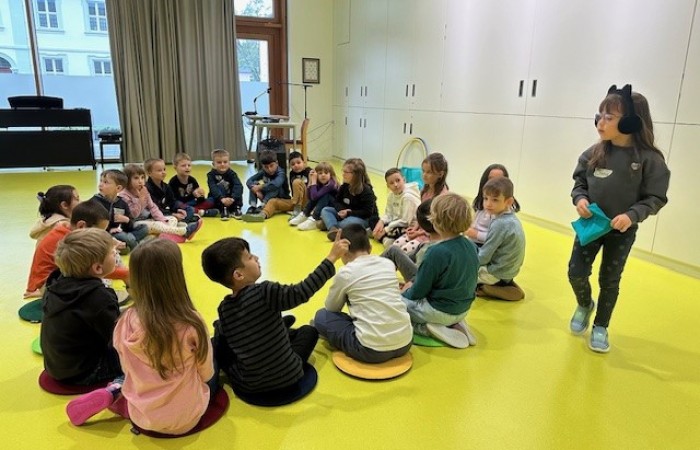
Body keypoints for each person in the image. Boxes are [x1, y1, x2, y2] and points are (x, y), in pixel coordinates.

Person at [65, 239, 216, 433]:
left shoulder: (125, 320)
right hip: (186, 418)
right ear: (176, 276)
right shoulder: (192, 323)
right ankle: (120, 391)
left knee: (133, 376)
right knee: (214, 366)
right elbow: (206, 374)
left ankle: (118, 391)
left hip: (141, 415)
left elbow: (126, 367)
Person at [568, 84, 670, 353]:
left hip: (621, 232)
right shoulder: (593, 153)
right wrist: (580, 199)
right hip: (591, 226)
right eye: (599, 115)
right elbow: (579, 183)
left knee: (610, 280)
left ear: (630, 122)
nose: (600, 122)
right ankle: (584, 304)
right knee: (576, 272)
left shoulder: (649, 160)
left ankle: (601, 325)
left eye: (609, 117)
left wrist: (631, 215)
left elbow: (655, 197)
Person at [201, 233, 349, 395]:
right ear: (238, 275)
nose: (256, 258)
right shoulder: (265, 292)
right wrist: (332, 257)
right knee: (309, 331)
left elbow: (227, 340)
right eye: (250, 257)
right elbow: (302, 291)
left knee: (220, 343)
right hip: (289, 376)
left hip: (250, 386)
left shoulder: (224, 308)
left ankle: (278, 327)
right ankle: (281, 328)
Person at [314, 223, 413, 363]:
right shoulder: (388, 264)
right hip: (406, 342)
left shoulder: (346, 273)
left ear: (343, 252)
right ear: (370, 248)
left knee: (321, 316)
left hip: (371, 350)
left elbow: (332, 308)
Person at [40, 228, 122, 385]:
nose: (117, 255)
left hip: (57, 367)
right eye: (113, 253)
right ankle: (120, 384)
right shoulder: (99, 297)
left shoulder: (54, 284)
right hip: (86, 372)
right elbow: (117, 338)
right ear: (98, 268)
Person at [401, 193, 478, 349]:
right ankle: (456, 324)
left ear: (435, 221)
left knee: (395, 303)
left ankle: (428, 329)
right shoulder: (471, 245)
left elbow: (418, 292)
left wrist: (404, 292)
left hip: (438, 312)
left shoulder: (435, 252)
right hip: (463, 309)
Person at [25, 200, 129, 298]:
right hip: (52, 286)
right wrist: (125, 274)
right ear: (82, 226)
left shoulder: (68, 229)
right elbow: (93, 270)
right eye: (98, 231)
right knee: (98, 279)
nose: (101, 235)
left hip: (58, 279)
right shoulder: (73, 242)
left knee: (111, 253)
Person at [474, 177, 526, 302]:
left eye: (495, 200)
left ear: (508, 201)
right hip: (508, 270)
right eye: (486, 198)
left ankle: (490, 288)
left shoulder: (500, 224)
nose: (488, 204)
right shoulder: (510, 218)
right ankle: (504, 284)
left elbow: (484, 256)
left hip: (497, 271)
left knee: (461, 276)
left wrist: (468, 264)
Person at [120, 164, 202, 242]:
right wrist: (141, 200)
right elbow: (134, 214)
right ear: (127, 180)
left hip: (147, 219)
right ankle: (185, 231)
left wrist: (162, 219)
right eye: (136, 178)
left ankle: (165, 236)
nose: (140, 181)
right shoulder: (124, 195)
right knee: (156, 225)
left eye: (142, 178)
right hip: (134, 223)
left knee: (172, 219)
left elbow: (153, 207)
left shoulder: (143, 190)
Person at [392, 152, 449, 255]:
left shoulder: (442, 197)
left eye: (429, 172)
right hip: (420, 231)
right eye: (423, 171)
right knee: (395, 246)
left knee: (403, 252)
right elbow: (421, 214)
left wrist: (418, 233)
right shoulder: (425, 190)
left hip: (431, 235)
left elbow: (438, 227)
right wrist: (414, 228)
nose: (424, 175)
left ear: (440, 174)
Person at [320, 158, 379, 241]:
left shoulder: (366, 191)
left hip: (362, 218)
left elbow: (367, 212)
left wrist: (349, 212)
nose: (343, 174)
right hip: (346, 214)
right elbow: (336, 201)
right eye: (343, 171)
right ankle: (333, 228)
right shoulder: (344, 186)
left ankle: (329, 224)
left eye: (346, 172)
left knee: (349, 223)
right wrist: (342, 210)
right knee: (326, 210)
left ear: (356, 175)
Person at [91, 169, 149, 252]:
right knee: (124, 237)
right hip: (104, 234)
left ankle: (125, 245)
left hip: (119, 232)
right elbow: (92, 225)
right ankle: (136, 245)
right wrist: (109, 230)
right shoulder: (95, 202)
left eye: (105, 182)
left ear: (118, 188)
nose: (100, 184)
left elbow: (129, 226)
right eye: (101, 181)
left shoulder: (122, 203)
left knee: (144, 228)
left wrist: (127, 220)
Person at [381, 198, 437, 283]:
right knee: (406, 249)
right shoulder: (457, 242)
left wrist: (405, 289)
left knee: (393, 250)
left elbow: (421, 281)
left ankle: (370, 273)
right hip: (423, 240)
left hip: (421, 284)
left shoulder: (429, 249)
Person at [466, 164, 521, 246]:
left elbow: (498, 238)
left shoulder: (501, 211)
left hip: (484, 245)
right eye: (491, 179)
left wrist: (476, 234)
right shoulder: (481, 202)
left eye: (499, 179)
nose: (494, 183)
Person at [253, 151, 312, 221]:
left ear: (304, 162)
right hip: (295, 202)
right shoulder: (292, 174)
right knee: (273, 201)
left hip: (308, 202)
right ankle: (262, 215)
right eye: (293, 164)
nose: (296, 165)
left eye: (298, 162)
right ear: (290, 166)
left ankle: (297, 211)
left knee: (297, 182)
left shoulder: (310, 172)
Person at [372, 168, 421, 247]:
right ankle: (381, 235)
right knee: (374, 221)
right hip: (396, 222)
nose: (395, 184)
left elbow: (405, 221)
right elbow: (388, 214)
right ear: (388, 186)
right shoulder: (391, 195)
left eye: (398, 180)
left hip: (409, 226)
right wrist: (381, 222)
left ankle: (384, 238)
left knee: (394, 235)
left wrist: (386, 229)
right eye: (391, 183)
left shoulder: (408, 197)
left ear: (404, 180)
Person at [144, 158, 198, 223]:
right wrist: (172, 214)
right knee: (169, 218)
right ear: (149, 173)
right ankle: (183, 223)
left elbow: (172, 201)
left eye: (164, 169)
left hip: (166, 210)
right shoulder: (147, 189)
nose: (163, 172)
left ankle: (183, 221)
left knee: (190, 209)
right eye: (159, 170)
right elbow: (155, 209)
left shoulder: (166, 186)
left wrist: (177, 209)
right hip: (155, 214)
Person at [290, 161, 339, 231]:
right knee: (317, 195)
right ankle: (305, 214)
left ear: (330, 174)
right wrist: (310, 181)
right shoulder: (319, 182)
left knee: (325, 196)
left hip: (334, 208)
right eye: (320, 173)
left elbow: (314, 197)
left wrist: (313, 181)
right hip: (324, 206)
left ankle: (314, 218)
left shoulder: (331, 184)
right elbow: (310, 197)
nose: (323, 175)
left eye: (326, 173)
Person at [243, 149, 290, 222]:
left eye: (271, 166)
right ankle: (253, 206)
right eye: (266, 167)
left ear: (277, 163)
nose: (269, 169)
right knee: (254, 184)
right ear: (262, 166)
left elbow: (276, 184)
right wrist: (255, 188)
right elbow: (249, 181)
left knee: (274, 186)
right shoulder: (263, 171)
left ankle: (263, 205)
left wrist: (260, 187)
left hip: (280, 198)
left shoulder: (281, 173)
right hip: (267, 196)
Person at [169, 152, 218, 217]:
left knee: (211, 200)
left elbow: (200, 200)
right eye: (183, 166)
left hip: (192, 203)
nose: (187, 167)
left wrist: (200, 195)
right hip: (182, 205)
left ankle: (195, 211)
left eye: (189, 165)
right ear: (175, 168)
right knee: (178, 204)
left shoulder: (192, 180)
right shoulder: (173, 182)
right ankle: (201, 212)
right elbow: (172, 201)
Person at [206, 148, 244, 220]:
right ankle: (223, 208)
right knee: (212, 196)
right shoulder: (210, 175)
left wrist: (233, 198)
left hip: (232, 199)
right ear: (213, 164)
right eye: (219, 162)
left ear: (229, 163)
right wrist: (222, 199)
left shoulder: (232, 174)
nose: (222, 164)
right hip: (219, 200)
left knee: (238, 188)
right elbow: (213, 188)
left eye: (225, 162)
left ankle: (236, 208)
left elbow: (239, 186)